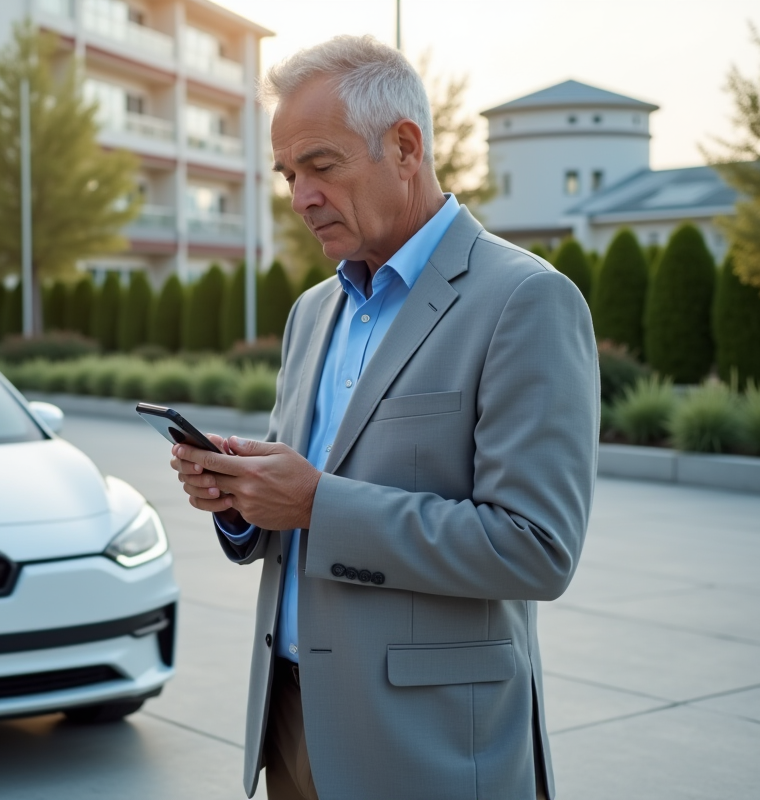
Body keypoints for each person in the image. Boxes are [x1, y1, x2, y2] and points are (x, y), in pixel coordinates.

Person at [168, 35, 598, 800]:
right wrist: (242, 498)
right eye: (289, 174)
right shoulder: (313, 313)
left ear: (405, 147)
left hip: (427, 745)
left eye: (321, 167)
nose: (300, 198)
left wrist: (314, 502)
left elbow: (536, 550)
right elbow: (300, 509)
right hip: (291, 722)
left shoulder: (525, 299)